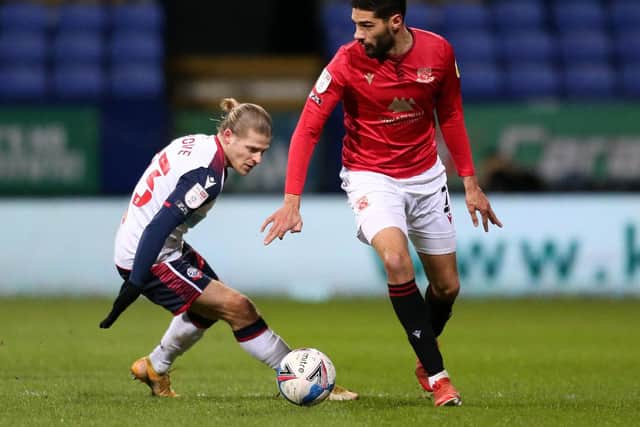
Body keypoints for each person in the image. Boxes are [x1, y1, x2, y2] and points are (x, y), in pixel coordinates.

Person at [261, 0, 502, 407]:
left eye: (366, 25)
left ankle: (424, 359)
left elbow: (452, 115)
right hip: (370, 175)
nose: (357, 34)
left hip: (426, 177)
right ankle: (439, 376)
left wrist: (470, 183)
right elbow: (307, 128)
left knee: (447, 287)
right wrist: (291, 200)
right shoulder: (346, 62)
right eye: (354, 24)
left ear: (395, 21)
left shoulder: (438, 52)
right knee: (394, 260)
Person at [99, 98, 357, 401]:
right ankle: (304, 377)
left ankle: (154, 367)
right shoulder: (206, 176)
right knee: (239, 308)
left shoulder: (196, 143)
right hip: (150, 254)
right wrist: (135, 282)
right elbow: (157, 227)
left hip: (159, 246)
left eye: (263, 151)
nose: (258, 159)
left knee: (206, 312)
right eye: (252, 149)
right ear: (229, 136)